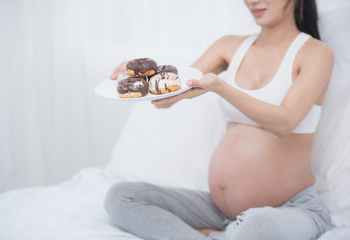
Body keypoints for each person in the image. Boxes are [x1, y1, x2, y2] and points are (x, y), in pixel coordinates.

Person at [104, 0, 335, 239]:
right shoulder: (229, 46)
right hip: (219, 210)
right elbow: (169, 96)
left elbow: (285, 123)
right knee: (121, 196)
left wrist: (221, 87)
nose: (251, 1)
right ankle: (224, 234)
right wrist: (138, 74)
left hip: (288, 209)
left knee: (257, 225)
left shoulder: (316, 53)